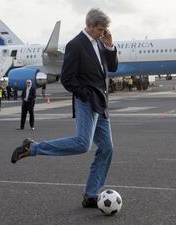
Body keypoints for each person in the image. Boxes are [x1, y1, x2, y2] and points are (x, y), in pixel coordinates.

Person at [10, 8, 118, 208]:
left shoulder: (101, 44)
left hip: (101, 103)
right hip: (87, 102)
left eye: (105, 30)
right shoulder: (75, 45)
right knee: (82, 144)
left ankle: (91, 195)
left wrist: (110, 46)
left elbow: (111, 68)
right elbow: (68, 79)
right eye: (101, 29)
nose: (103, 33)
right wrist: (85, 94)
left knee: (107, 148)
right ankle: (32, 148)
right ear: (90, 26)